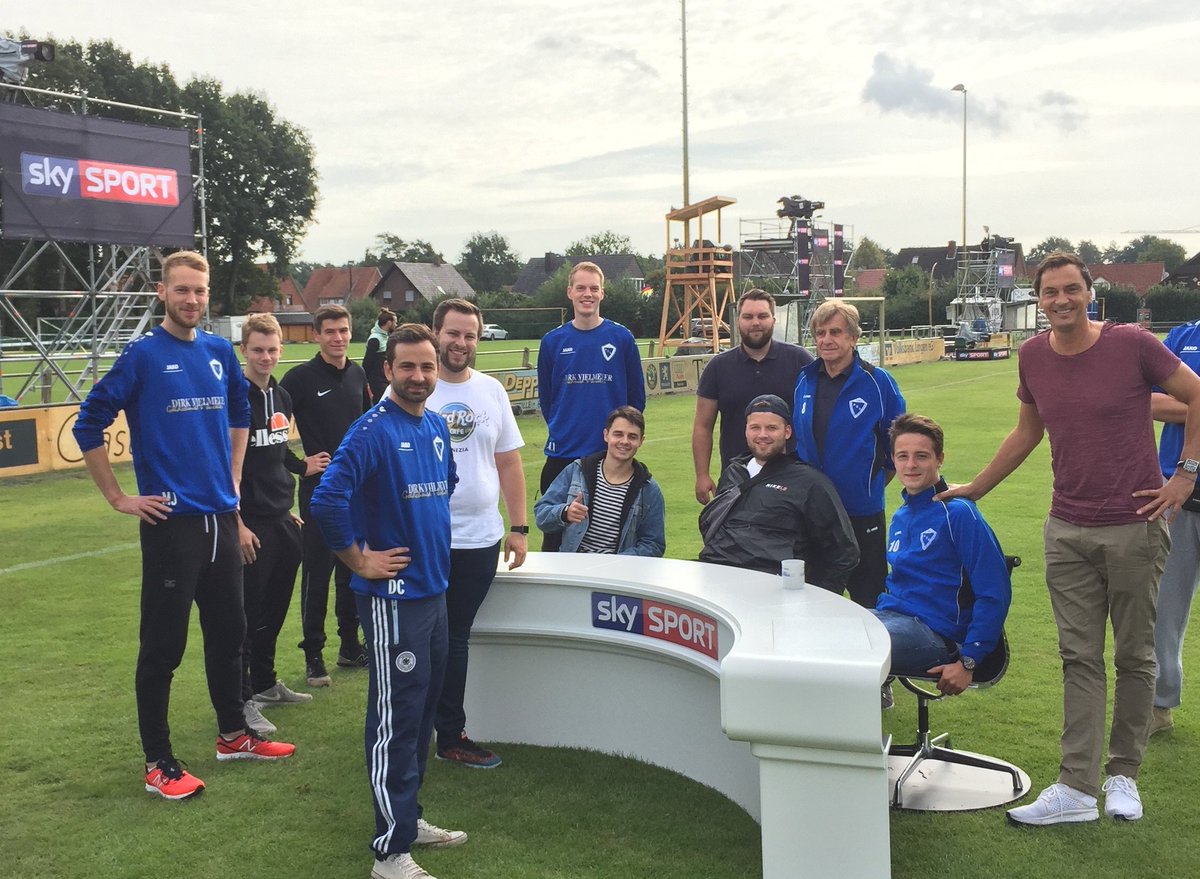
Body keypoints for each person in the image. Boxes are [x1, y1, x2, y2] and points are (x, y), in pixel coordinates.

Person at [941, 251, 1200, 826]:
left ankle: (1123, 776)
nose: (1061, 300)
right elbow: (1027, 431)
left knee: (1134, 656)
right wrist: (977, 488)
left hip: (1134, 525)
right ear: (1039, 300)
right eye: (1050, 292)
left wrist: (1185, 473)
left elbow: (1196, 393)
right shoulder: (1032, 355)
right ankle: (1077, 788)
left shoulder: (1132, 343)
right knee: (1079, 657)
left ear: (1089, 293)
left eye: (1071, 289)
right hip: (1066, 529)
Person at [73, 251, 294, 802]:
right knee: (163, 649)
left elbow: (240, 413)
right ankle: (159, 763)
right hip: (172, 525)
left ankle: (233, 735)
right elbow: (88, 423)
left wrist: (233, 478)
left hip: (221, 519)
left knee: (229, 636)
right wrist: (118, 497)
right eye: (182, 290)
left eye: (200, 290)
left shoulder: (219, 351)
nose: (192, 299)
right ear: (162, 292)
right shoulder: (143, 355)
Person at [310, 323, 467, 879]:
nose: (418, 376)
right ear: (388, 370)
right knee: (395, 718)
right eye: (407, 367)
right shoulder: (371, 430)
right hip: (393, 599)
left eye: (426, 366)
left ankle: (408, 817)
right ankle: (390, 852)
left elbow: (445, 485)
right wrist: (359, 560)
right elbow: (327, 500)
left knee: (421, 711)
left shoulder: (436, 425)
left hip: (434, 589)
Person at [427, 298, 528, 770]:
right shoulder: (412, 387)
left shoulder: (491, 391)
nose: (461, 343)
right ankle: (412, 728)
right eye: (453, 333)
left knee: (455, 637)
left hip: (480, 539)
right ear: (436, 333)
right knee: (421, 638)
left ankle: (450, 734)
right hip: (426, 538)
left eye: (470, 335)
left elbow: (508, 462)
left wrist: (519, 527)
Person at [871, 414, 1010, 696]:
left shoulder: (959, 514)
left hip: (936, 635)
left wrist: (969, 660)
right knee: (825, 632)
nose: (911, 465)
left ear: (939, 459)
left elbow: (994, 591)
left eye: (921, 456)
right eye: (903, 456)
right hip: (892, 617)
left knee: (848, 647)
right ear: (893, 460)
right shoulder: (902, 515)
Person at [237, 313, 328, 736]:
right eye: (258, 350)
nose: (266, 357)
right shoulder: (235, 398)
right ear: (244, 350)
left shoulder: (281, 396)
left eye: (272, 349)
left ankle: (265, 683)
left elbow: (276, 452)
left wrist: (301, 468)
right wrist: (237, 521)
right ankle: (240, 700)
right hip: (248, 523)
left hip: (281, 518)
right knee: (245, 616)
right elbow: (227, 465)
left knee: (273, 611)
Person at [280, 303, 372, 686]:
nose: (338, 338)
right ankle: (313, 655)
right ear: (316, 335)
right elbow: (268, 431)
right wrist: (300, 465)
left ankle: (350, 645)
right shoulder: (299, 378)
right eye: (330, 331)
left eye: (343, 330)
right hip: (320, 492)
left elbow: (369, 428)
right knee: (317, 572)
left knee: (352, 567)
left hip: (357, 491)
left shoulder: (358, 373)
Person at [792, 299, 904, 609]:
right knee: (813, 600)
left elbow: (897, 447)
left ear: (853, 337)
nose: (826, 339)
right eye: (820, 333)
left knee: (868, 600)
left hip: (861, 511)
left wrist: (868, 485)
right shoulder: (805, 379)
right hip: (813, 512)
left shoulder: (877, 382)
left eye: (835, 332)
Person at [537, 260, 646, 551]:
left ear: (602, 293)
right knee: (555, 538)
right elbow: (548, 399)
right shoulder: (552, 341)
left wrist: (619, 439)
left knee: (606, 539)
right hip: (563, 455)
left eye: (594, 288)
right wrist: (563, 428)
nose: (588, 294)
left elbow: (636, 400)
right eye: (581, 288)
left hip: (609, 457)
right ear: (570, 292)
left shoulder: (621, 338)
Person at [699, 394, 858, 587]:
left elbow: (843, 551)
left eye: (772, 428)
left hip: (772, 587)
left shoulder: (810, 482)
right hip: (717, 577)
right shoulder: (733, 473)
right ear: (746, 430)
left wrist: (815, 596)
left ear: (787, 432)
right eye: (755, 427)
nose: (762, 435)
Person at [693, 288, 814, 503]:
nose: (755, 322)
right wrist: (702, 475)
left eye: (762, 316)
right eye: (748, 316)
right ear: (738, 320)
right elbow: (703, 425)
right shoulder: (718, 367)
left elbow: (819, 417)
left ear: (773, 320)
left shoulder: (800, 361)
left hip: (792, 476)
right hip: (736, 479)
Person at [1149, 317, 1200, 736]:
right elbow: (1149, 402)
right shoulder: (1183, 336)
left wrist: (1186, 403)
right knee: (1162, 612)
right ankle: (1159, 706)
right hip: (1178, 496)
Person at [535, 406, 666, 556]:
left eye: (632, 437)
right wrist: (565, 512)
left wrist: (616, 562)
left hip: (618, 569)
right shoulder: (577, 471)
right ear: (606, 435)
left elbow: (654, 544)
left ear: (641, 441)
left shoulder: (648, 489)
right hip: (574, 565)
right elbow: (541, 514)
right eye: (618, 434)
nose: (625, 441)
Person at [363, 307, 397, 402]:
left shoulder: (385, 337)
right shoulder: (375, 339)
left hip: (385, 379)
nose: (396, 325)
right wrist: (365, 382)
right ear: (389, 323)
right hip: (377, 381)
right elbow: (367, 361)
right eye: (395, 322)